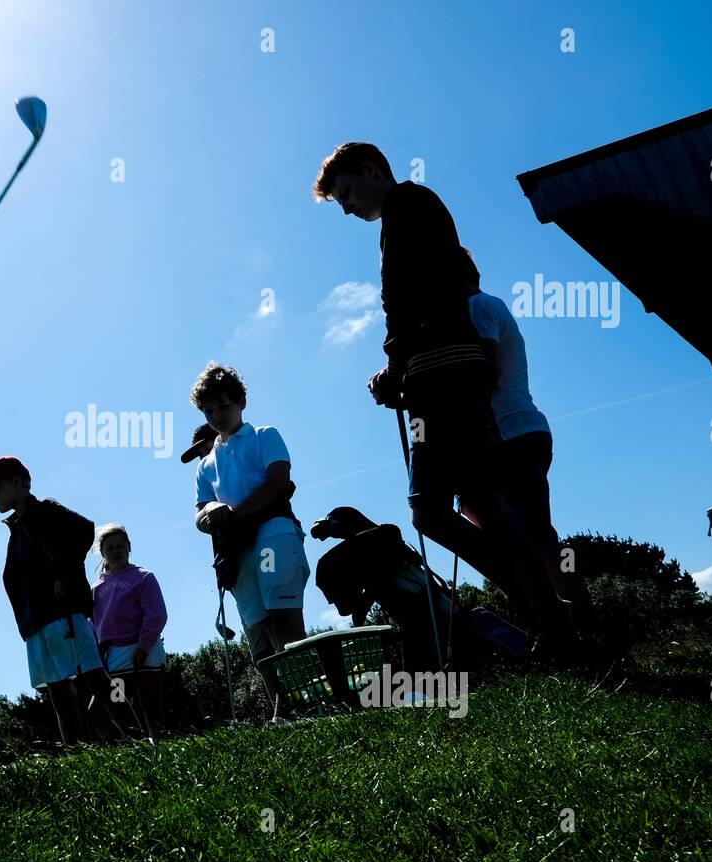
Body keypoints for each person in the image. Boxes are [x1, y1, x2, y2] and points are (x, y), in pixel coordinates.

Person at [312, 143, 573, 643]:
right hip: (448, 371)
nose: (345, 206)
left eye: (345, 192)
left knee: (430, 510)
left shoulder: (406, 205)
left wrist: (396, 366)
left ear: (371, 169)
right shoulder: (415, 209)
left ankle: (540, 605)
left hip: (442, 373)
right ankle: (547, 613)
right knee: (478, 496)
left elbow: (404, 301)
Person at [458, 249, 594, 641]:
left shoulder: (476, 306)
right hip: (518, 429)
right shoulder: (485, 305)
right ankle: (567, 623)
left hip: (507, 432)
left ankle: (577, 625)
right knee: (529, 534)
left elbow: (485, 370)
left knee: (535, 535)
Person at [0, 456, 141, 745]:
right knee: (58, 692)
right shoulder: (18, 526)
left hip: (63, 614)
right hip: (36, 623)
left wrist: (64, 574)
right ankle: (74, 755)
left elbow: (84, 529)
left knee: (96, 678)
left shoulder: (44, 510)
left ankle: (137, 735)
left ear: (16, 483)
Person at [190, 362, 309, 721]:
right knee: (258, 632)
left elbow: (277, 484)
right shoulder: (205, 464)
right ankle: (282, 713)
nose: (217, 416)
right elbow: (200, 513)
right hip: (237, 551)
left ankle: (309, 706)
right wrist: (212, 509)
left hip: (273, 533)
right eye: (209, 411)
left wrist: (233, 514)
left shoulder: (265, 434)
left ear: (242, 401)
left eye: (223, 407)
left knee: (286, 623)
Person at [91, 524, 169, 738]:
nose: (116, 551)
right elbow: (94, 627)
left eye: (121, 546)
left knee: (152, 712)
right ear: (102, 552)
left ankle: (164, 761)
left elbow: (156, 615)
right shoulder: (96, 588)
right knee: (104, 711)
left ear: (129, 547)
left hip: (147, 652)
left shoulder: (144, 577)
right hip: (116, 659)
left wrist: (143, 647)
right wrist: (99, 660)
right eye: (110, 548)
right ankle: (132, 755)